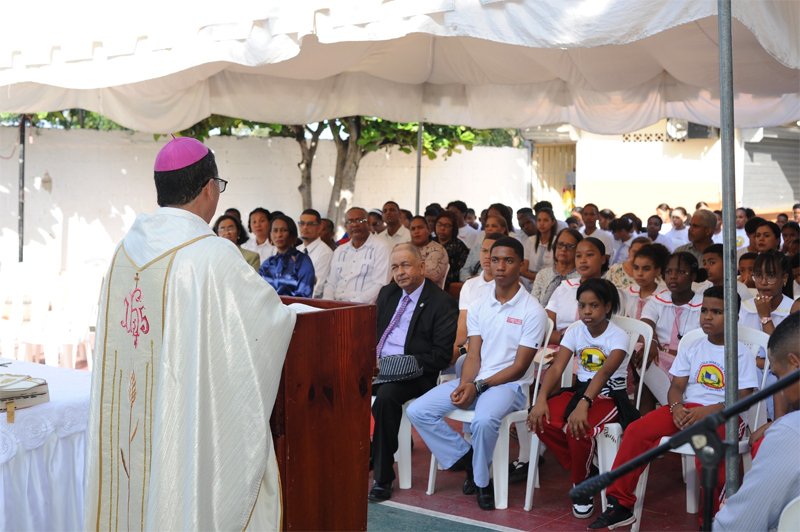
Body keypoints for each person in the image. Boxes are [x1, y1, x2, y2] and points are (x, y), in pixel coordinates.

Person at [84, 137, 295, 530]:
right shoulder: (211, 254)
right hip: (179, 427)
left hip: (131, 429)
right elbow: (268, 322)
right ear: (210, 188)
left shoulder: (123, 251)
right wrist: (295, 313)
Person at [589, 287, 758, 530]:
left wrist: (708, 412)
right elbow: (676, 386)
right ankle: (621, 504)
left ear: (733, 317)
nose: (707, 317)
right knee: (637, 431)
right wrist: (677, 407)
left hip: (723, 415)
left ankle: (711, 519)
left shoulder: (740, 353)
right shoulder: (693, 346)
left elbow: (743, 397)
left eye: (717, 312)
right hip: (688, 409)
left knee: (708, 452)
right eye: (704, 310)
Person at [407, 237, 548, 511]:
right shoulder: (481, 304)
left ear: (521, 264)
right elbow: (473, 354)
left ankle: (483, 482)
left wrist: (477, 387)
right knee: (418, 410)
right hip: (476, 379)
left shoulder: (533, 311)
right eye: (495, 260)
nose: (500, 266)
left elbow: (519, 367)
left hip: (510, 387)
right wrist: (467, 382)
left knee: (483, 421)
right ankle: (468, 458)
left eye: (508, 260)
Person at [529, 278, 636, 519]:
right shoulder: (576, 330)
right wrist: (541, 399)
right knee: (539, 419)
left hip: (610, 396)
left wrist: (584, 404)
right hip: (580, 392)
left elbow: (605, 373)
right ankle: (588, 473)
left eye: (594, 305)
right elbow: (556, 368)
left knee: (578, 428)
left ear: (607, 307)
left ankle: (581, 485)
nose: (587, 312)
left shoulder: (618, 336)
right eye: (582, 305)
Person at [369, 244, 458, 502]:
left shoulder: (441, 302)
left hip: (416, 374)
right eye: (395, 267)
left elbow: (440, 356)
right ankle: (364, 452)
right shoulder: (388, 293)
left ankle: (383, 478)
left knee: (386, 398)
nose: (400, 272)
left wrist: (394, 366)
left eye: (406, 265)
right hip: (378, 367)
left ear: (422, 266)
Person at [713, 312, 800, 531]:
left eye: (778, 375)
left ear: (795, 364)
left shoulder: (790, 432)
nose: (779, 387)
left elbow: (740, 526)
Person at [546, 237, 609, 345]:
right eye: (578, 256)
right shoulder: (564, 288)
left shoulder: (609, 291)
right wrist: (564, 340)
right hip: (559, 345)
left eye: (589, 255)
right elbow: (546, 325)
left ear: (603, 259)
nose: (583, 260)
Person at [453, 232, 504, 363]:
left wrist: (464, 350)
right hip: (468, 347)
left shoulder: (508, 287)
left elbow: (498, 332)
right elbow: (462, 326)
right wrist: (455, 349)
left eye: (492, 252)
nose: (487, 256)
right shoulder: (469, 285)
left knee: (461, 362)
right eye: (484, 251)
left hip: (495, 349)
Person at [323, 207, 391, 303]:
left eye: (359, 220)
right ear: (345, 227)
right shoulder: (339, 250)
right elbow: (331, 283)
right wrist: (328, 304)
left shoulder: (382, 247)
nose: (354, 225)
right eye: (350, 222)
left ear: (368, 223)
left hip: (363, 308)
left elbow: (381, 284)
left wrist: (352, 305)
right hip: (335, 307)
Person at [259, 214, 315, 298]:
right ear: (270, 234)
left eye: (284, 230)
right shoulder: (267, 264)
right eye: (275, 230)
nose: (279, 235)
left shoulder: (302, 261)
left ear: (292, 234)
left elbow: (304, 295)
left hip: (294, 309)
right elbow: (258, 292)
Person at [530, 228, 582, 307]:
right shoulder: (543, 274)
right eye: (560, 244)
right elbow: (533, 304)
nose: (563, 249)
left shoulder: (581, 277)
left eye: (570, 246)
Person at [621, 243, 669, 320]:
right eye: (636, 268)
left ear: (657, 271)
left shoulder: (665, 297)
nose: (640, 273)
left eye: (646, 269)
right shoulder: (627, 293)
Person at [297, 209, 334, 298]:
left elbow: (317, 287)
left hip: (309, 303)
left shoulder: (325, 253)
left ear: (320, 227)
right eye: (302, 223)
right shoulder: (296, 250)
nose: (305, 227)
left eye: (310, 224)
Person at [408, 215, 449, 287]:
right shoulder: (405, 248)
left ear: (429, 230)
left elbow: (429, 276)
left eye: (420, 227)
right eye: (413, 229)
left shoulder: (437, 250)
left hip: (428, 292)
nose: (416, 231)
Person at [433, 210, 470, 288]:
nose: (442, 228)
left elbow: (461, 271)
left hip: (449, 286)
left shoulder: (459, 246)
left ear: (453, 228)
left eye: (447, 225)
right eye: (439, 224)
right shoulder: (430, 242)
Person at [522, 207, 558, 283]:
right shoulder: (530, 241)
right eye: (539, 220)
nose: (541, 223)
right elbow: (523, 270)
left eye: (545, 220)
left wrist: (536, 277)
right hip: (530, 282)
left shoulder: (557, 242)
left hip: (551, 282)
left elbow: (557, 271)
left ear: (553, 222)